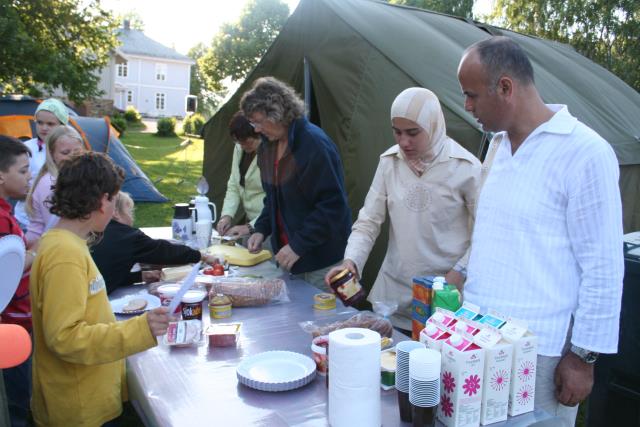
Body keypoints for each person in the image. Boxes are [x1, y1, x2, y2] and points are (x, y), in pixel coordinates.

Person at [457, 36, 624, 425]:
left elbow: (603, 266)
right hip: (477, 339)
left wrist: (583, 357)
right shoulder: (497, 146)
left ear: (505, 87)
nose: (467, 106)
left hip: (539, 354)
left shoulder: (585, 152)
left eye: (471, 95)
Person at [29, 152, 170, 426]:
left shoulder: (70, 244)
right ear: (103, 201)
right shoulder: (65, 255)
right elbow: (65, 338)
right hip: (79, 409)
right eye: (115, 200)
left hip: (88, 395)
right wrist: (140, 329)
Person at [324, 88, 480, 331]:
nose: (404, 142)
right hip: (393, 299)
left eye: (413, 133)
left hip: (445, 297)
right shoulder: (390, 162)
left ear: (433, 125)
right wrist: (351, 262)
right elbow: (368, 222)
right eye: (397, 132)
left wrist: (458, 273)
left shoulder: (466, 168)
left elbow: (485, 234)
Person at [241, 77, 352, 290]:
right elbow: (273, 199)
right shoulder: (267, 147)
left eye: (258, 121)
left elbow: (333, 206)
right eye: (253, 123)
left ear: (277, 113)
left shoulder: (314, 144)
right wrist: (261, 229)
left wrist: (298, 245)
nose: (256, 130)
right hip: (290, 258)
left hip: (322, 261)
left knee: (322, 312)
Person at [91, 191, 218, 294]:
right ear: (115, 213)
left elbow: (109, 273)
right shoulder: (126, 236)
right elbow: (163, 251)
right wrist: (201, 256)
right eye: (130, 212)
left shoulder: (96, 231)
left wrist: (140, 276)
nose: (132, 218)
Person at [0, 135, 35, 427]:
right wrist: (36, 252)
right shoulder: (1, 219)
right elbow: (7, 267)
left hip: (17, 318)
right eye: (22, 171)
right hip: (11, 322)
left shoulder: (5, 212)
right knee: (15, 399)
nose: (29, 177)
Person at [13, 98, 69, 230]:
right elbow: (13, 183)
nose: (44, 128)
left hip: (57, 220)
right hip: (26, 219)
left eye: (50, 124)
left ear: (62, 125)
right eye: (40, 122)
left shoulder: (68, 150)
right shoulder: (26, 148)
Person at [24, 125, 85, 246]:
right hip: (45, 246)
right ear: (51, 154)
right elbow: (56, 225)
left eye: (77, 152)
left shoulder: (71, 177)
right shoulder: (51, 183)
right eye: (65, 152)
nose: (73, 156)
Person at [216, 111, 266, 238]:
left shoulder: (270, 153)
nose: (243, 146)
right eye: (239, 142)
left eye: (247, 142)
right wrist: (227, 216)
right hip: (249, 221)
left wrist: (250, 227)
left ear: (258, 134)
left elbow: (276, 202)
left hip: (267, 225)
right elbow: (234, 184)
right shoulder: (240, 147)